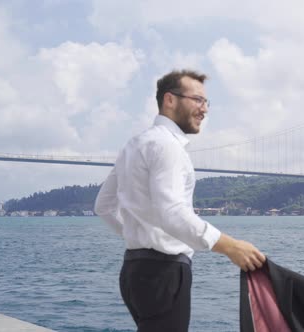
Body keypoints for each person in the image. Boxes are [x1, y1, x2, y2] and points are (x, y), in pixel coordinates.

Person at [94, 69, 266, 332]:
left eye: (206, 102)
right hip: (164, 272)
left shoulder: (134, 144)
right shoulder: (167, 147)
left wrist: (140, 236)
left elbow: (103, 207)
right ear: (170, 100)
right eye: (197, 99)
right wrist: (232, 247)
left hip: (134, 269)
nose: (204, 109)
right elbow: (173, 214)